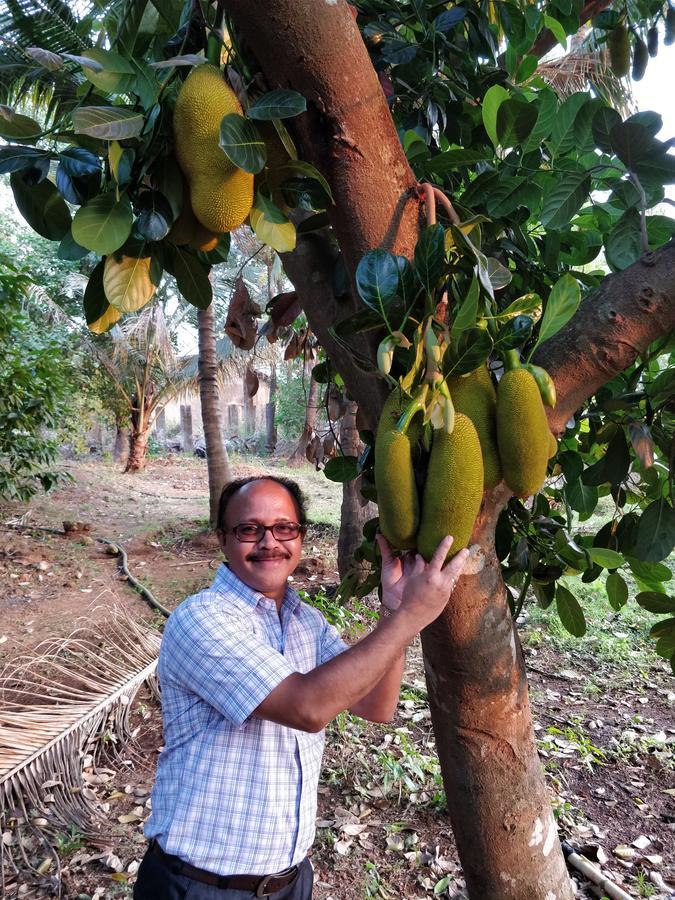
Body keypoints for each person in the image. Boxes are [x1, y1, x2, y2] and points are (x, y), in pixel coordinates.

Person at [134, 475, 469, 899]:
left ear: (301, 538)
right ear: (222, 539)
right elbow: (307, 707)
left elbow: (376, 705)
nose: (269, 542)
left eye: (284, 528)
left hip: (290, 881)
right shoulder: (201, 620)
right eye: (249, 529)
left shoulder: (306, 623)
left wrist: (394, 612)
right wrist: (412, 618)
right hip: (200, 885)